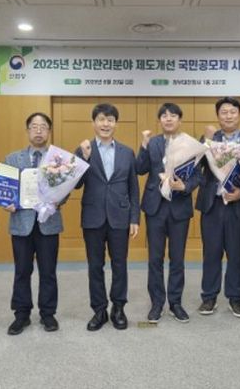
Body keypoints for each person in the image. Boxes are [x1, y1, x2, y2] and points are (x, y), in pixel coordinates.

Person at [75, 103, 140, 331]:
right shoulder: (83, 149)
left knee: (120, 265)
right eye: (101, 119)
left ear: (116, 124)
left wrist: (134, 218)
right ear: (93, 123)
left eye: (110, 120)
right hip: (92, 216)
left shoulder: (126, 152)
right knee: (95, 265)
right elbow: (75, 184)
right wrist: (83, 158)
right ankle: (99, 310)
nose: (106, 124)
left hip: (120, 216)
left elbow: (133, 188)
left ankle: (118, 308)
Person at [136, 103, 201, 323]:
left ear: (180, 120)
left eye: (173, 115)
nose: (168, 119)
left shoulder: (191, 144)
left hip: (179, 207)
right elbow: (140, 169)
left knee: (177, 258)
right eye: (164, 116)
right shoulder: (153, 142)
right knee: (155, 258)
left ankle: (175, 303)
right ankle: (156, 303)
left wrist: (186, 186)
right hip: (155, 207)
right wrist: (143, 146)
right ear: (160, 120)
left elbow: (198, 176)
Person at [195, 97, 240, 318]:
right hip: (212, 205)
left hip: (238, 206)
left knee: (237, 253)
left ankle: (236, 298)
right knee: (211, 252)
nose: (228, 116)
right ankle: (209, 297)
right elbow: (196, 166)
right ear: (218, 116)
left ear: (239, 114)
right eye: (224, 112)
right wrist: (205, 142)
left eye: (232, 112)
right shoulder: (209, 139)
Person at [4, 112, 61, 335]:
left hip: (49, 222)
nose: (39, 130)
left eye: (43, 126)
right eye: (34, 126)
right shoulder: (12, 159)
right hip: (22, 222)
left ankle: (48, 313)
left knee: (48, 271)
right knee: (22, 271)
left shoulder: (59, 159)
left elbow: (65, 189)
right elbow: (5, 189)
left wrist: (59, 198)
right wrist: (6, 202)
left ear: (49, 131)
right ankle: (21, 314)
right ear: (27, 131)